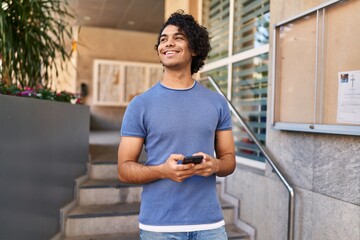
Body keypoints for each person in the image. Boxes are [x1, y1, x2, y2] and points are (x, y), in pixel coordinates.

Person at [117, 10, 236, 240]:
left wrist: (214, 166)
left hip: (210, 225)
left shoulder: (217, 102)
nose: (168, 43)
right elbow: (124, 169)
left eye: (178, 37)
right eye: (163, 39)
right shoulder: (140, 105)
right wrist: (162, 171)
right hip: (159, 228)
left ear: (194, 49)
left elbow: (229, 160)